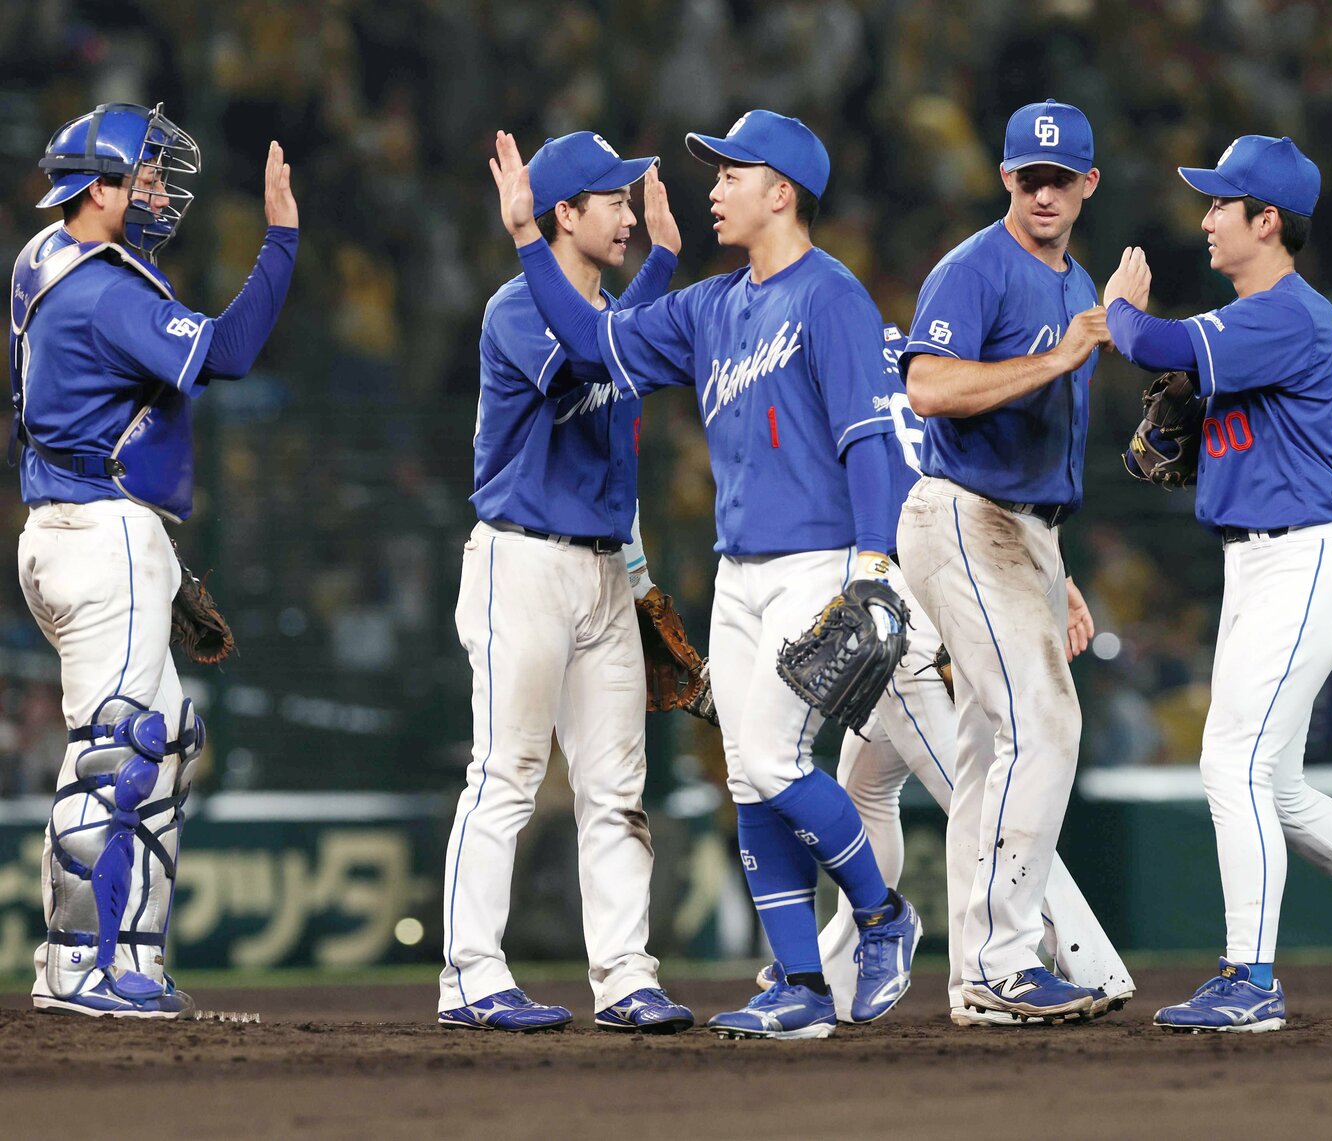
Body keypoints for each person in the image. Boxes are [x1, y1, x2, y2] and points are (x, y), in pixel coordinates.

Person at [490, 111, 921, 1040]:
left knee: (774, 759)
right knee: (748, 778)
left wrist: (877, 563)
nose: (714, 187)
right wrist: (527, 237)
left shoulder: (832, 297)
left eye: (732, 173)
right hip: (739, 572)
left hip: (818, 560)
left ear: (783, 192)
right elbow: (591, 341)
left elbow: (869, 439)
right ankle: (801, 987)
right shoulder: (713, 306)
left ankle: (883, 915)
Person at [1102, 134, 1332, 1031]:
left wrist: (1115, 306)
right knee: (1276, 782)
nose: (1204, 218)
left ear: (1267, 220)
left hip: (1303, 559)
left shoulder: (1290, 313)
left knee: (1230, 762)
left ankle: (1250, 976)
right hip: (1260, 563)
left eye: (1221, 204)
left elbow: (1149, 338)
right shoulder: (1256, 323)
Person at [759, 322, 1135, 1026]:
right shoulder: (893, 349)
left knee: (979, 791)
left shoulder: (819, 353)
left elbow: (904, 481)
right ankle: (841, 965)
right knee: (866, 786)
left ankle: (1088, 960)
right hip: (940, 566)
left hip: (904, 597)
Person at [11, 102, 298, 1016]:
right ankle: (86, 967)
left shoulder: (42, 259)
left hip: (64, 528)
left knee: (164, 737)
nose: (161, 191)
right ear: (96, 189)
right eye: (144, 177)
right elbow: (230, 350)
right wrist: (282, 240)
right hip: (104, 532)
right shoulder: (106, 290)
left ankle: (112, 952)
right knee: (122, 746)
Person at [438, 131, 695, 1034]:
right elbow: (595, 356)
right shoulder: (516, 308)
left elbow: (624, 343)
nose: (628, 212)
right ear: (563, 214)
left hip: (603, 572)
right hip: (523, 562)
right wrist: (656, 263)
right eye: (611, 199)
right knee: (506, 771)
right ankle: (469, 972)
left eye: (630, 198)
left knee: (617, 787)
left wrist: (662, 261)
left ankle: (626, 974)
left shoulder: (606, 309)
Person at [896, 99, 1113, 1024]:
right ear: (1005, 179)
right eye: (1030, 177)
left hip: (1022, 528)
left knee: (991, 749)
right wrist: (1061, 357)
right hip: (960, 513)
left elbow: (1050, 450)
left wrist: (1055, 570)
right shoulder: (973, 268)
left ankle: (980, 975)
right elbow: (928, 386)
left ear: (1088, 184)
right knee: (1044, 721)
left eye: (1060, 178)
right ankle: (1001, 959)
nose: (1044, 193)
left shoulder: (1081, 282)